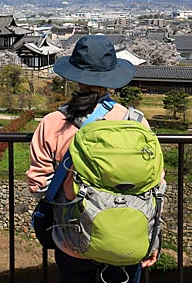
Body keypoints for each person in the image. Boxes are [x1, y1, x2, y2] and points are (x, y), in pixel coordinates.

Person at [27, 35, 160, 283]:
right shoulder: (136, 122)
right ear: (112, 77)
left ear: (75, 76)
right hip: (128, 241)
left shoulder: (53, 123)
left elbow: (38, 185)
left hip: (73, 240)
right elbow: (155, 185)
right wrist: (153, 238)